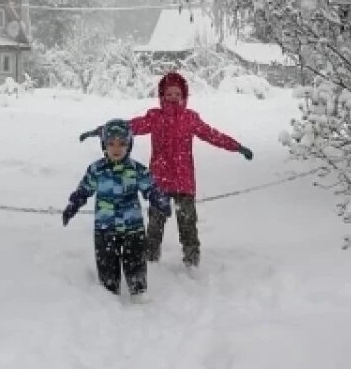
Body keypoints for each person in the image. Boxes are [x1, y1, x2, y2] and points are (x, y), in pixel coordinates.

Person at [79, 71, 252, 268]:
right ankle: (151, 260)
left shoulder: (190, 118)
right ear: (162, 96)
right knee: (154, 225)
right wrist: (99, 130)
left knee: (188, 224)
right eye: (169, 95)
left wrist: (237, 146)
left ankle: (192, 261)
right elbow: (127, 127)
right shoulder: (155, 117)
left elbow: (212, 135)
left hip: (184, 182)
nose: (173, 98)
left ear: (184, 96)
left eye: (177, 94)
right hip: (159, 181)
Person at [62, 118, 172, 298]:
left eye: (122, 143)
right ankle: (109, 296)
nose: (116, 148)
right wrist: (73, 205)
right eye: (111, 143)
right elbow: (84, 190)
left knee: (135, 262)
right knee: (107, 266)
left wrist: (160, 201)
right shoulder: (96, 170)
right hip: (105, 229)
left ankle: (138, 293)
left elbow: (151, 188)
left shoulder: (137, 170)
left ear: (129, 145)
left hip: (133, 228)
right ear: (104, 144)